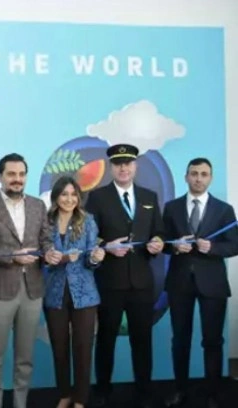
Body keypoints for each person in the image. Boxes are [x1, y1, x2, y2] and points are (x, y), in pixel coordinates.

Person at [85, 144, 164, 408]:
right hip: (110, 281)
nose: (123, 168)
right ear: (111, 167)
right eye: (118, 163)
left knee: (142, 340)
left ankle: (144, 392)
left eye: (128, 163)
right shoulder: (97, 197)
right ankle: (103, 391)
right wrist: (106, 246)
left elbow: (159, 231)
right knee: (105, 339)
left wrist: (157, 241)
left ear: (135, 166)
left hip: (142, 282)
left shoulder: (149, 196)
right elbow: (89, 236)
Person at [0, 153, 61, 408]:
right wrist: (12, 256)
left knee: (25, 358)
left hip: (33, 290)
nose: (17, 179)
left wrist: (49, 252)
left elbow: (46, 240)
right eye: (11, 174)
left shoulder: (38, 206)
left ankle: (20, 404)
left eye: (22, 174)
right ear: (0, 176)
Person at [162, 158, 238, 408]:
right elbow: (162, 243)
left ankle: (213, 394)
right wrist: (175, 247)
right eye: (194, 173)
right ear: (186, 177)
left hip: (213, 284)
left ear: (210, 178)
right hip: (180, 282)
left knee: (213, 341)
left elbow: (235, 244)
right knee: (180, 340)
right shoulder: (171, 207)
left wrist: (213, 247)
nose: (198, 178)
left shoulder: (224, 209)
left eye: (204, 174)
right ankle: (180, 390)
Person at [43, 176, 105, 408]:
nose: (69, 199)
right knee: (59, 347)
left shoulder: (87, 221)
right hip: (55, 293)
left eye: (73, 195)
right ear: (56, 197)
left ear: (79, 197)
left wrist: (95, 258)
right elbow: (41, 258)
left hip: (84, 294)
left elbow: (91, 259)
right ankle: (64, 394)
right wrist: (51, 259)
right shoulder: (46, 222)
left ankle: (80, 398)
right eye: (64, 194)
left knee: (83, 348)